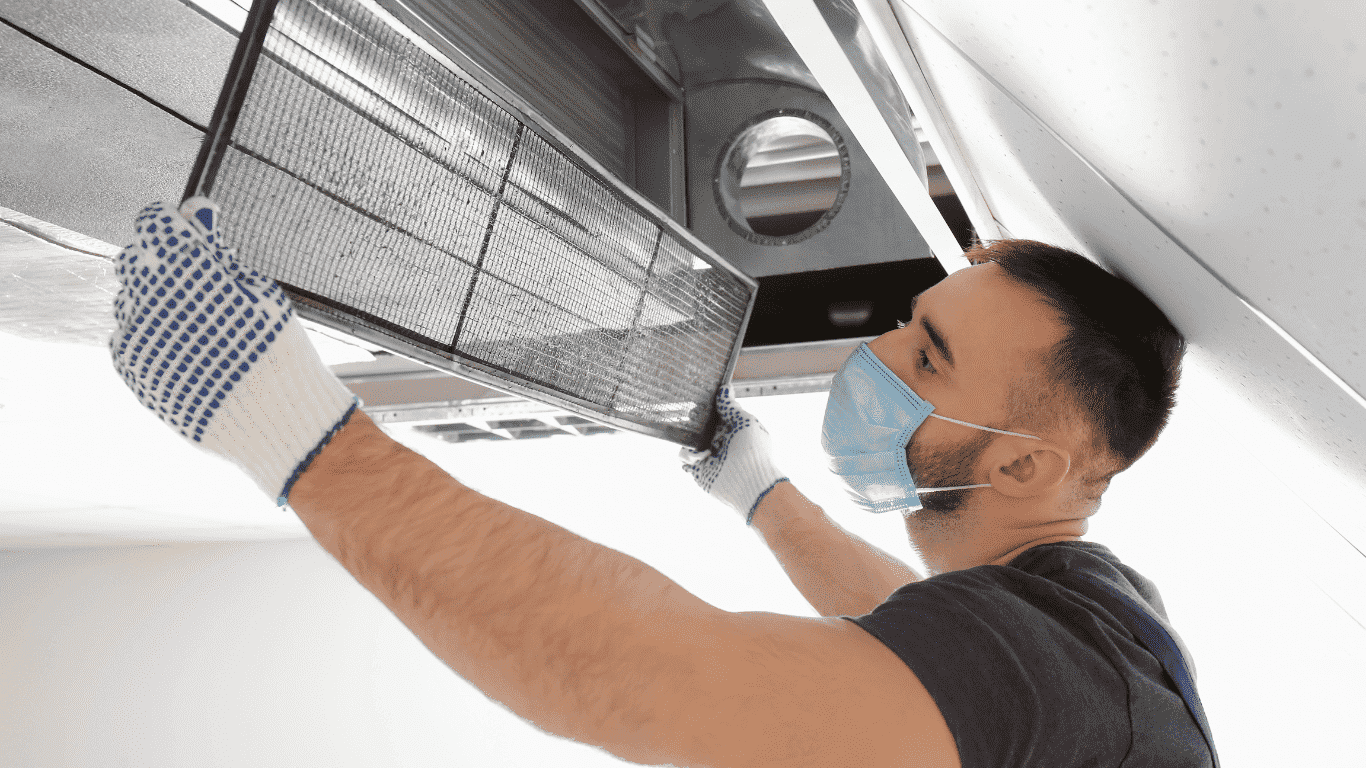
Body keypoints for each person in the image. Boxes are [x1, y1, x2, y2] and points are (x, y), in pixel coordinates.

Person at [110, 197, 1214, 767]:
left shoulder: (1068, 662)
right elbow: (913, 631)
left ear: (1023, 463)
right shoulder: (1089, 619)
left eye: (926, 357)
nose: (875, 354)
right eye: (904, 321)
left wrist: (296, 435)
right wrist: (756, 491)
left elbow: (650, 674)